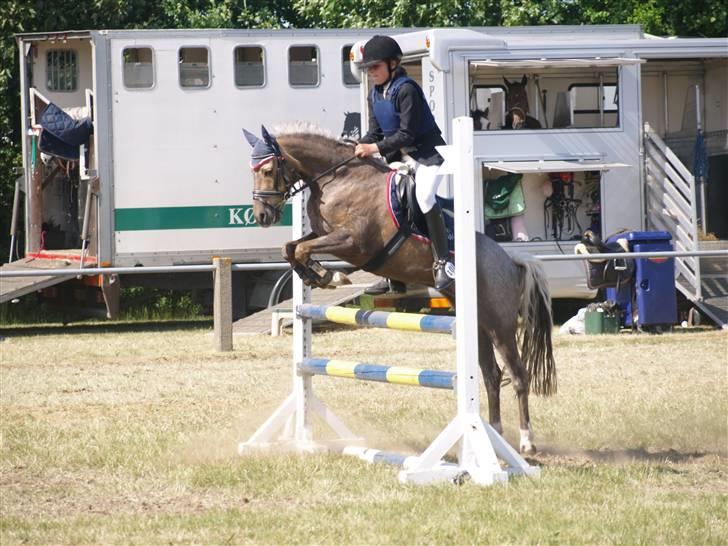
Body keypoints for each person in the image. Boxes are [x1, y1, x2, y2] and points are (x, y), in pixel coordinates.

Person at [354, 35, 455, 293]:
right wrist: (354, 147)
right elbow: (375, 133)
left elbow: (406, 134)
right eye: (368, 68)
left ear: (393, 63)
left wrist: (373, 148)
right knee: (388, 205)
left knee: (423, 197)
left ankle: (444, 263)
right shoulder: (375, 94)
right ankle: (393, 272)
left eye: (375, 67)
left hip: (428, 154)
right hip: (402, 159)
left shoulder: (407, 89)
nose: (371, 72)